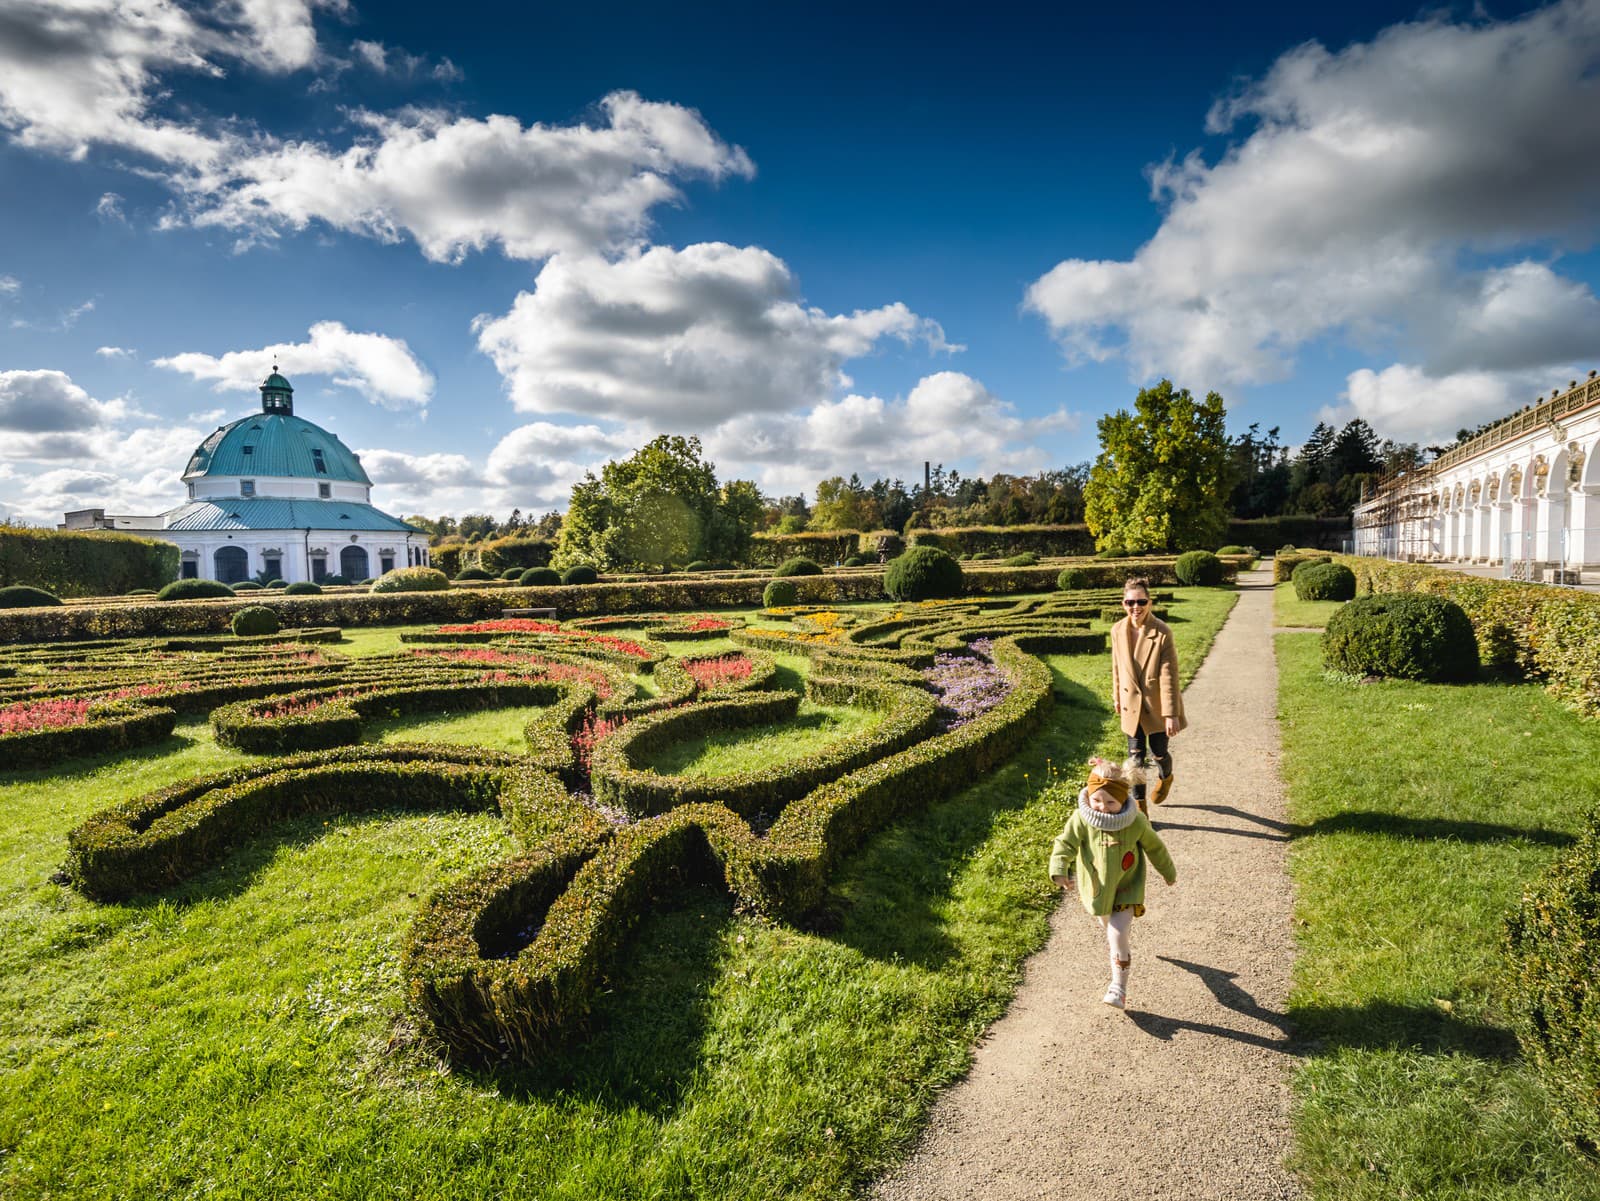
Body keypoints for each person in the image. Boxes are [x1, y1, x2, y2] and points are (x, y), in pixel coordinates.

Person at [1049, 757, 1177, 1009]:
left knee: (1116, 936)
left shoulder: (1136, 821)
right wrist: (1059, 870)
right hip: (1096, 890)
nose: (1103, 808)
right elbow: (1064, 844)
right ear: (1089, 795)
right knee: (1108, 926)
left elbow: (1155, 847)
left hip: (1127, 888)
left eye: (1111, 802)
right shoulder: (1081, 819)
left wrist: (1168, 872)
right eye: (1097, 800)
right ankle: (1119, 942)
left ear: (1123, 799)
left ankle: (1118, 988)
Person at [1110, 575, 1186, 812]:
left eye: (1141, 602)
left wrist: (1171, 714)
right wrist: (1117, 695)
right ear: (1123, 604)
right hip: (1130, 704)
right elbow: (1116, 667)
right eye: (1130, 602)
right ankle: (1140, 812)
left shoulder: (1162, 632)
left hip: (1157, 706)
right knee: (1134, 760)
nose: (1136, 608)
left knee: (1159, 753)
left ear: (1149, 602)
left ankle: (1166, 776)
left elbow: (1169, 675)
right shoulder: (1117, 630)